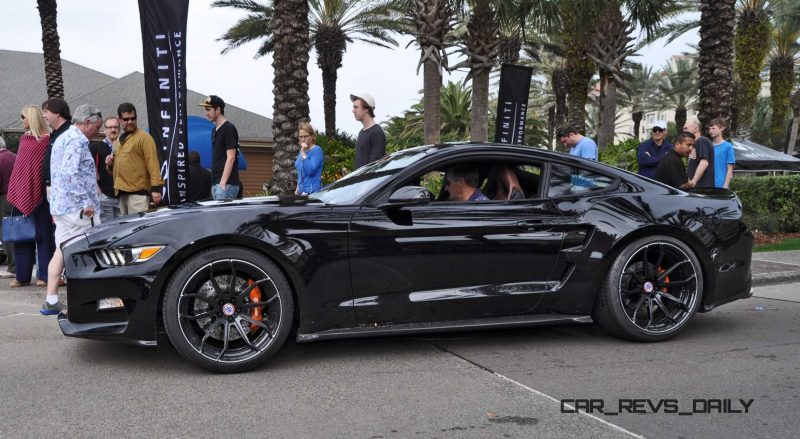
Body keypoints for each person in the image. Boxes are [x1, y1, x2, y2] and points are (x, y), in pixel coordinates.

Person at [42, 104, 102, 315]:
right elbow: (70, 174)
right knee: (91, 248)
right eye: (97, 126)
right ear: (87, 122)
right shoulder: (76, 141)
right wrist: (86, 202)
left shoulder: (62, 138)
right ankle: (92, 299)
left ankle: (51, 300)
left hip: (61, 206)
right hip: (77, 208)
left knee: (61, 249)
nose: (98, 131)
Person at [8, 105, 56, 288]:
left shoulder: (46, 140)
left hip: (41, 195)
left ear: (32, 118)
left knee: (44, 237)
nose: (21, 120)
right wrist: (18, 188)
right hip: (20, 193)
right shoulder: (23, 139)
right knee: (22, 236)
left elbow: (39, 169)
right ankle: (22, 276)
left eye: (23, 116)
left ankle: (44, 276)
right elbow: (20, 169)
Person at [106, 102, 164, 215]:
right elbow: (116, 170)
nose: (130, 122)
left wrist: (156, 189)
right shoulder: (117, 141)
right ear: (119, 120)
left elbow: (153, 163)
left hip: (138, 195)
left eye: (133, 118)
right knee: (126, 231)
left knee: (139, 230)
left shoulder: (144, 138)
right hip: (122, 194)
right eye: (126, 119)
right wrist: (110, 164)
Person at [199, 95, 241, 200]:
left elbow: (231, 157)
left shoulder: (229, 128)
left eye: (208, 109)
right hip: (217, 184)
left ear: (218, 109)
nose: (206, 113)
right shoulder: (214, 130)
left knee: (223, 217)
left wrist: (222, 183)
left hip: (226, 185)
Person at [89, 116, 120, 221]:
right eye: (110, 127)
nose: (113, 130)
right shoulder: (95, 147)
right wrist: (96, 188)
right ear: (105, 130)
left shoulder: (124, 147)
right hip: (104, 196)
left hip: (122, 196)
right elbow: (89, 170)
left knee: (124, 229)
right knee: (108, 229)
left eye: (116, 127)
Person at [351, 92, 386, 169]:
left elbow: (374, 166)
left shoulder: (376, 132)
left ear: (366, 109)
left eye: (356, 107)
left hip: (368, 181)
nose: (353, 111)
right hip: (360, 180)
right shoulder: (362, 132)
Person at [0, 137, 16, 278]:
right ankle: (19, 265)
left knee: (6, 233)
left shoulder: (0, 159)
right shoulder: (13, 156)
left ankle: (12, 267)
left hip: (3, 199)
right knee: (18, 232)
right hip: (17, 197)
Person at [683, 118, 715, 188]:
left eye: (686, 128)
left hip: (702, 189)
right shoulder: (694, 144)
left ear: (696, 128)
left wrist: (693, 182)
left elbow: (704, 163)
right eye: (683, 129)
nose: (683, 131)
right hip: (697, 188)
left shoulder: (702, 141)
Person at [294, 122, 324, 195]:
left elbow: (310, 171)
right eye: (300, 137)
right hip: (301, 193)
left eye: (306, 136)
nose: (303, 139)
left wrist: (303, 153)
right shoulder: (302, 151)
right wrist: (297, 190)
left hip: (313, 193)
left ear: (312, 136)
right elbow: (300, 174)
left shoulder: (317, 150)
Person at [708, 118, 735, 188]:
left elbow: (730, 169)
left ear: (722, 128)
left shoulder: (728, 147)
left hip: (721, 187)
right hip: (707, 186)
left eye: (713, 128)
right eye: (709, 129)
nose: (711, 131)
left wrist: (725, 187)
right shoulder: (707, 146)